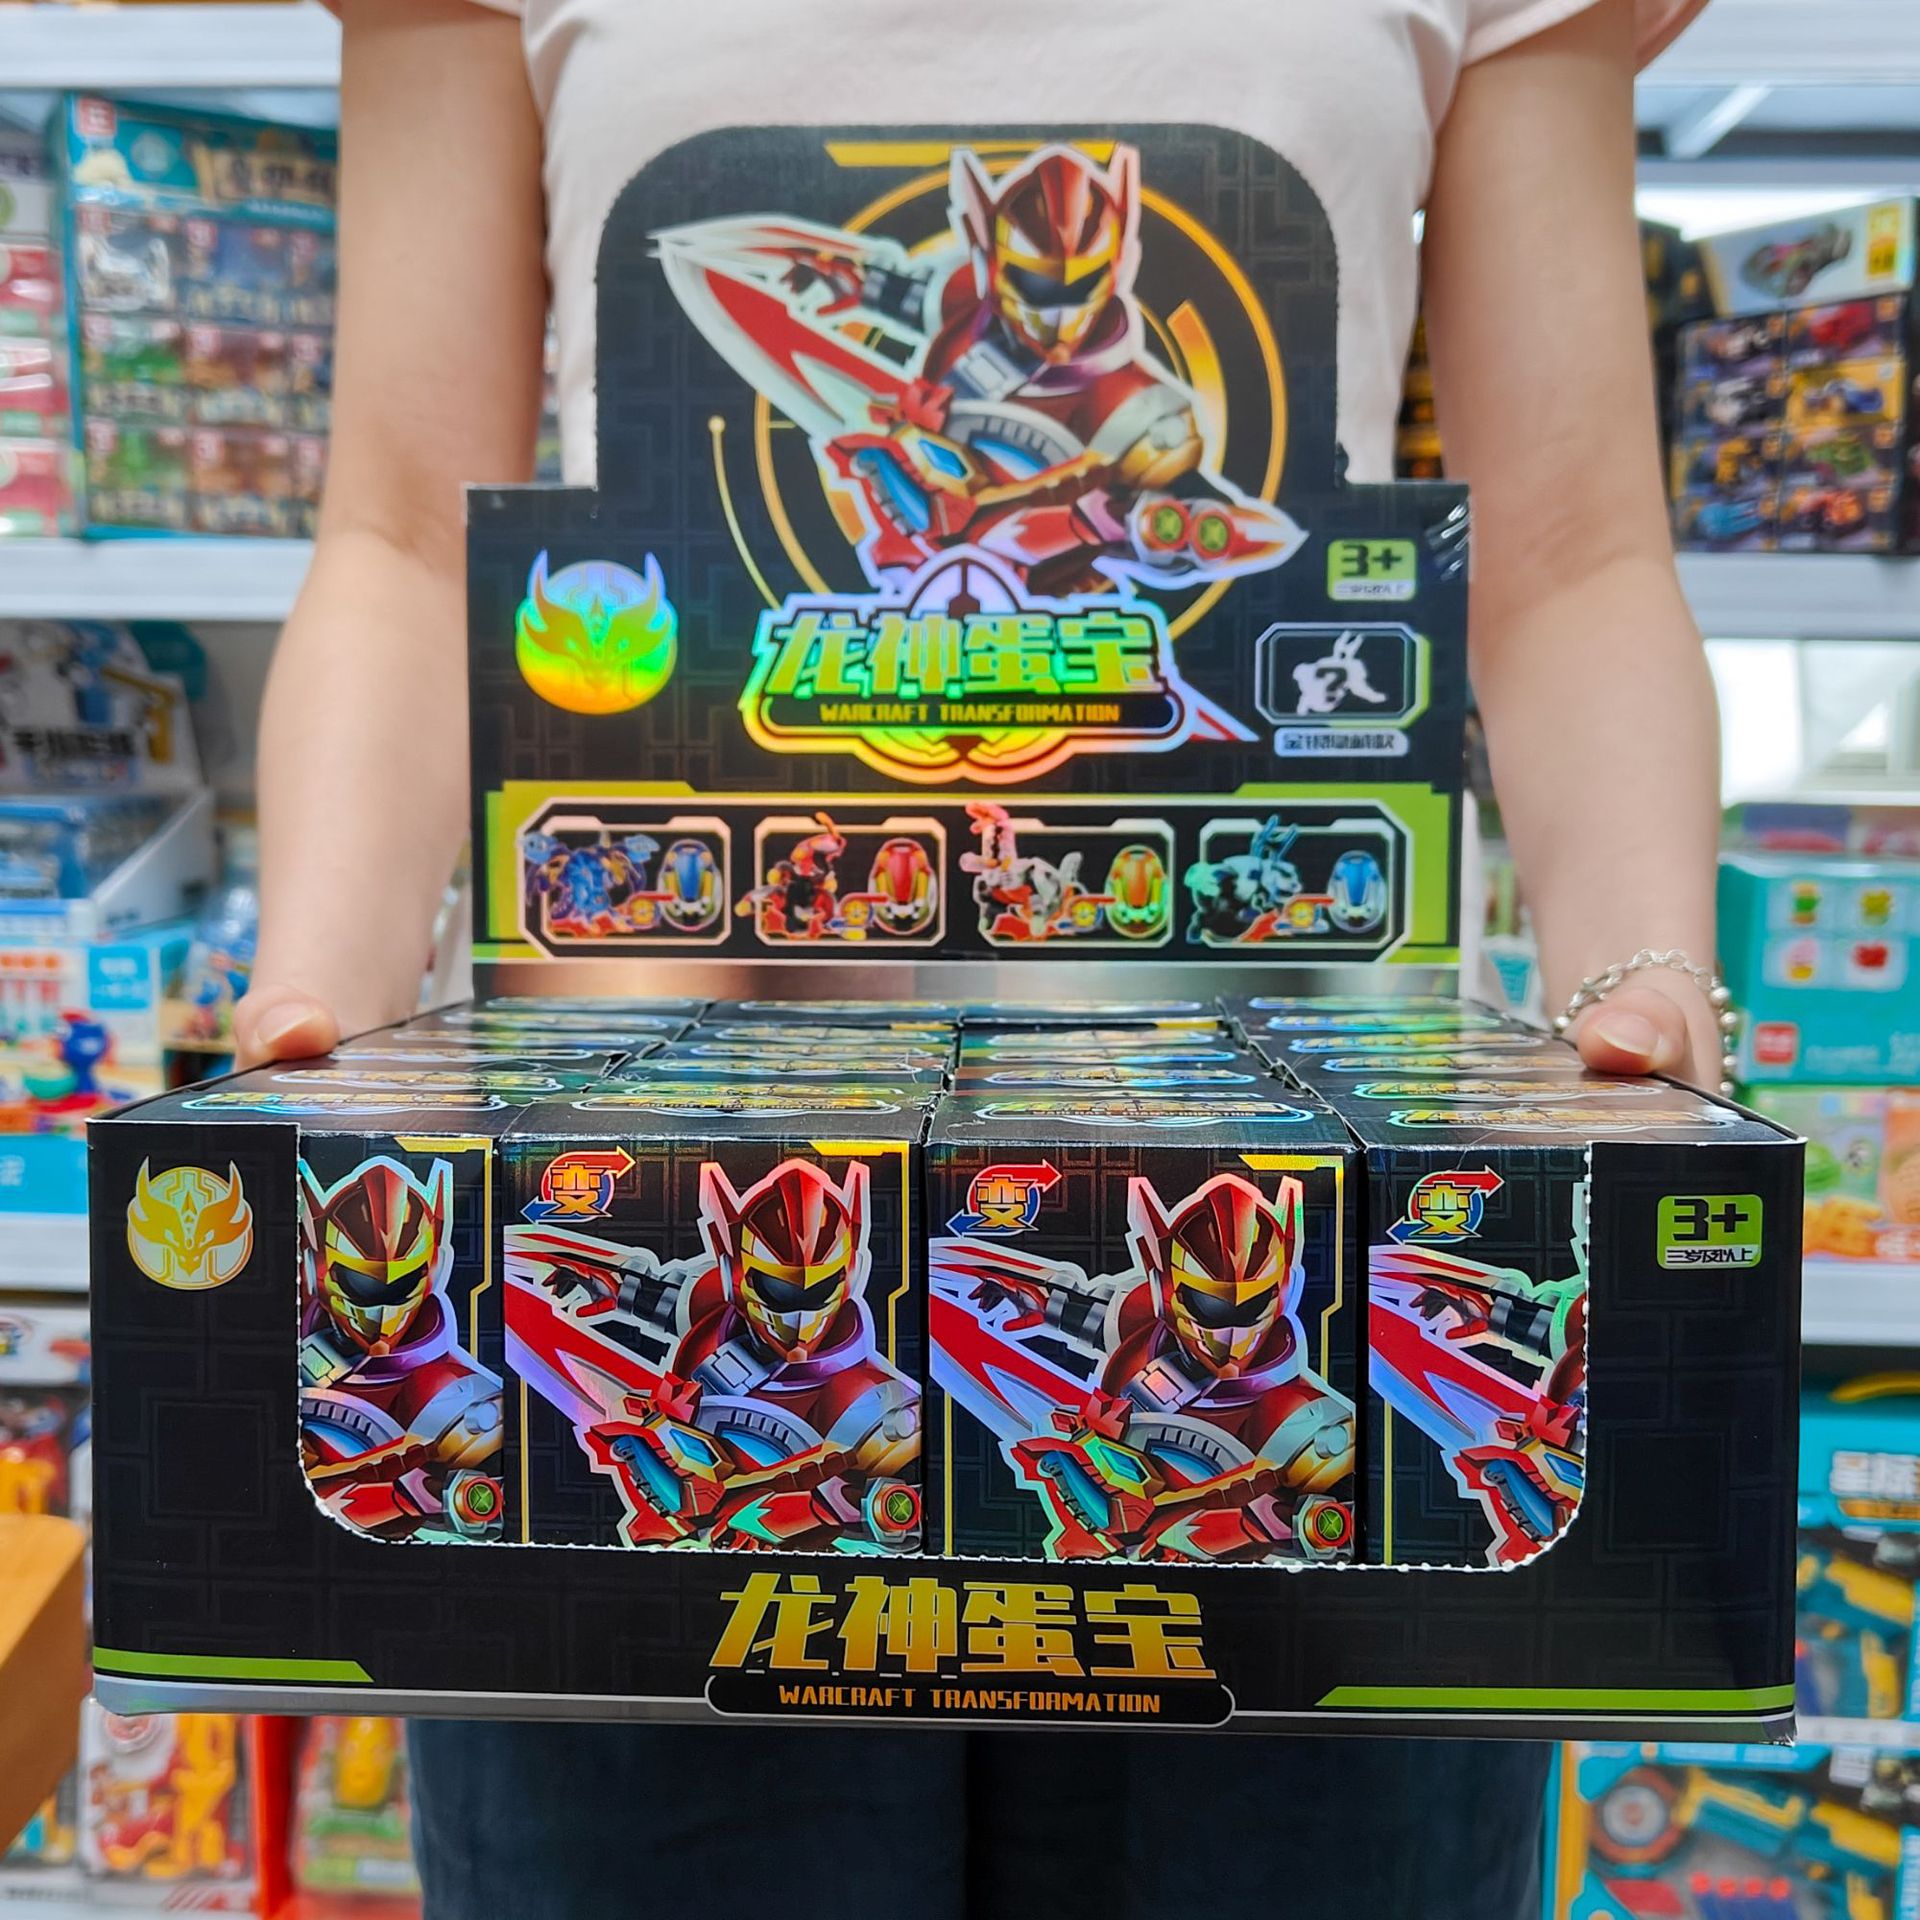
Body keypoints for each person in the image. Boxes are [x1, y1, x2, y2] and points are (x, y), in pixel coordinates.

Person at [235, 1, 1717, 1913]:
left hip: (1280, 1156)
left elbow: (1570, 540)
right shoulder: (914, 373)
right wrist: (326, 1008)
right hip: (657, 1129)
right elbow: (408, 525)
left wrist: (1641, 982)